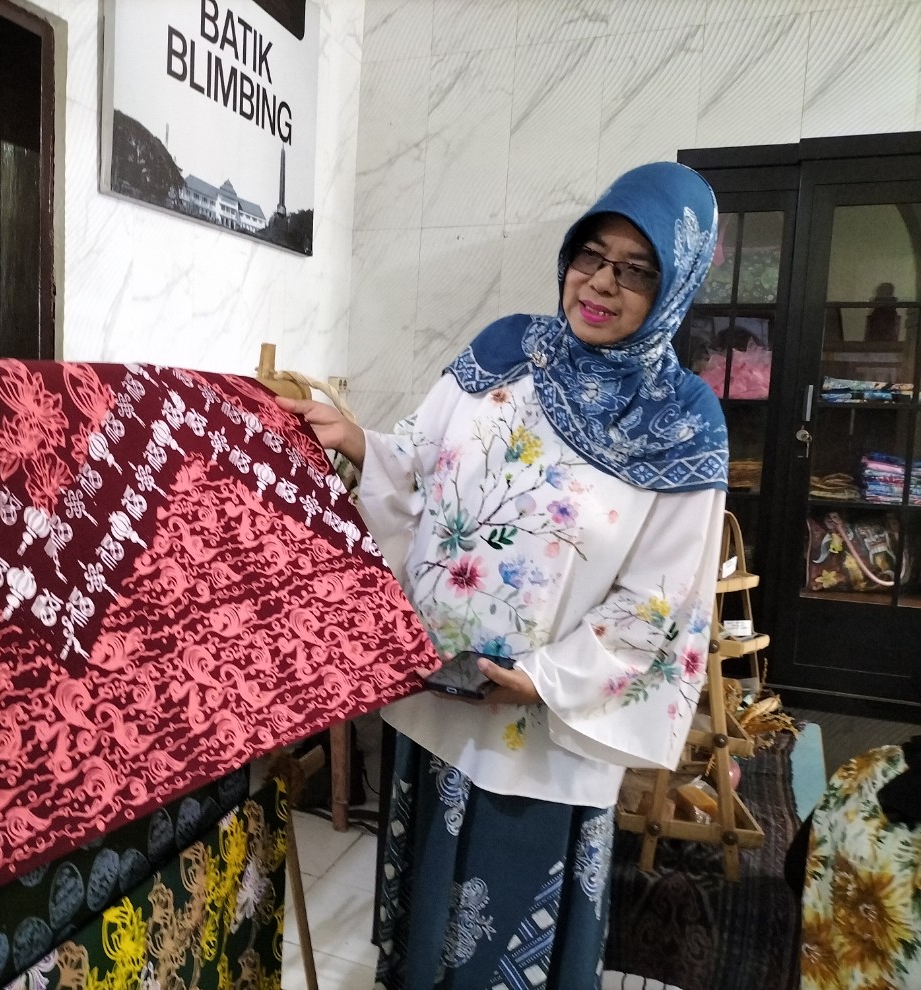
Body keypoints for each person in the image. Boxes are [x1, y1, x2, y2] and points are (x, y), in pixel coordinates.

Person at [277, 161, 729, 989]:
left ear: (675, 287)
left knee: (509, 939)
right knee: (426, 921)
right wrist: (356, 440)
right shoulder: (505, 351)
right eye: (591, 255)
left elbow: (664, 599)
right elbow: (418, 458)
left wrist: (544, 682)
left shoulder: (681, 422)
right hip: (442, 698)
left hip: (541, 729)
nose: (600, 284)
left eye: (636, 271)